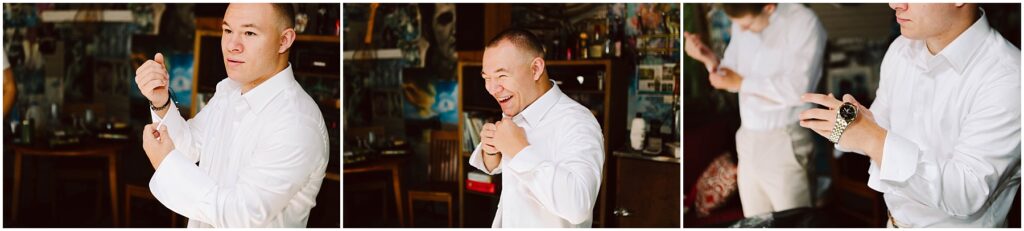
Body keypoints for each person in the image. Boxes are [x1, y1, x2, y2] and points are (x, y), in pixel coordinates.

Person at [799, 3, 1020, 227]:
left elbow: (967, 192)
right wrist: (845, 125)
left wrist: (871, 138)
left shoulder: (1008, 77)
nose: (894, 4)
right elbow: (876, 127)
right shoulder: (901, 48)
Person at [134, 3, 329, 227]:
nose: (231, 45)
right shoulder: (229, 90)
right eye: (227, 31)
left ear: (284, 40)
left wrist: (165, 163)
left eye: (249, 33)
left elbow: (240, 215)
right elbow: (187, 149)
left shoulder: (297, 124)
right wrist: (161, 101)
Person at [683, 3, 827, 217]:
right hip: (748, 140)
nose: (741, 30)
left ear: (768, 7)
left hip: (784, 139)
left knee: (793, 222)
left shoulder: (804, 23)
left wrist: (742, 83)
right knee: (755, 222)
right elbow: (731, 73)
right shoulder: (743, 20)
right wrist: (709, 60)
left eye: (747, 25)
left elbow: (799, 88)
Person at [468, 28, 604, 227]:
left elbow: (579, 206)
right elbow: (502, 171)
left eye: (502, 75)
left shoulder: (578, 122)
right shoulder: (517, 109)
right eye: (486, 78)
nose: (492, 88)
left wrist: (519, 150)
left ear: (536, 69)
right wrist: (491, 151)